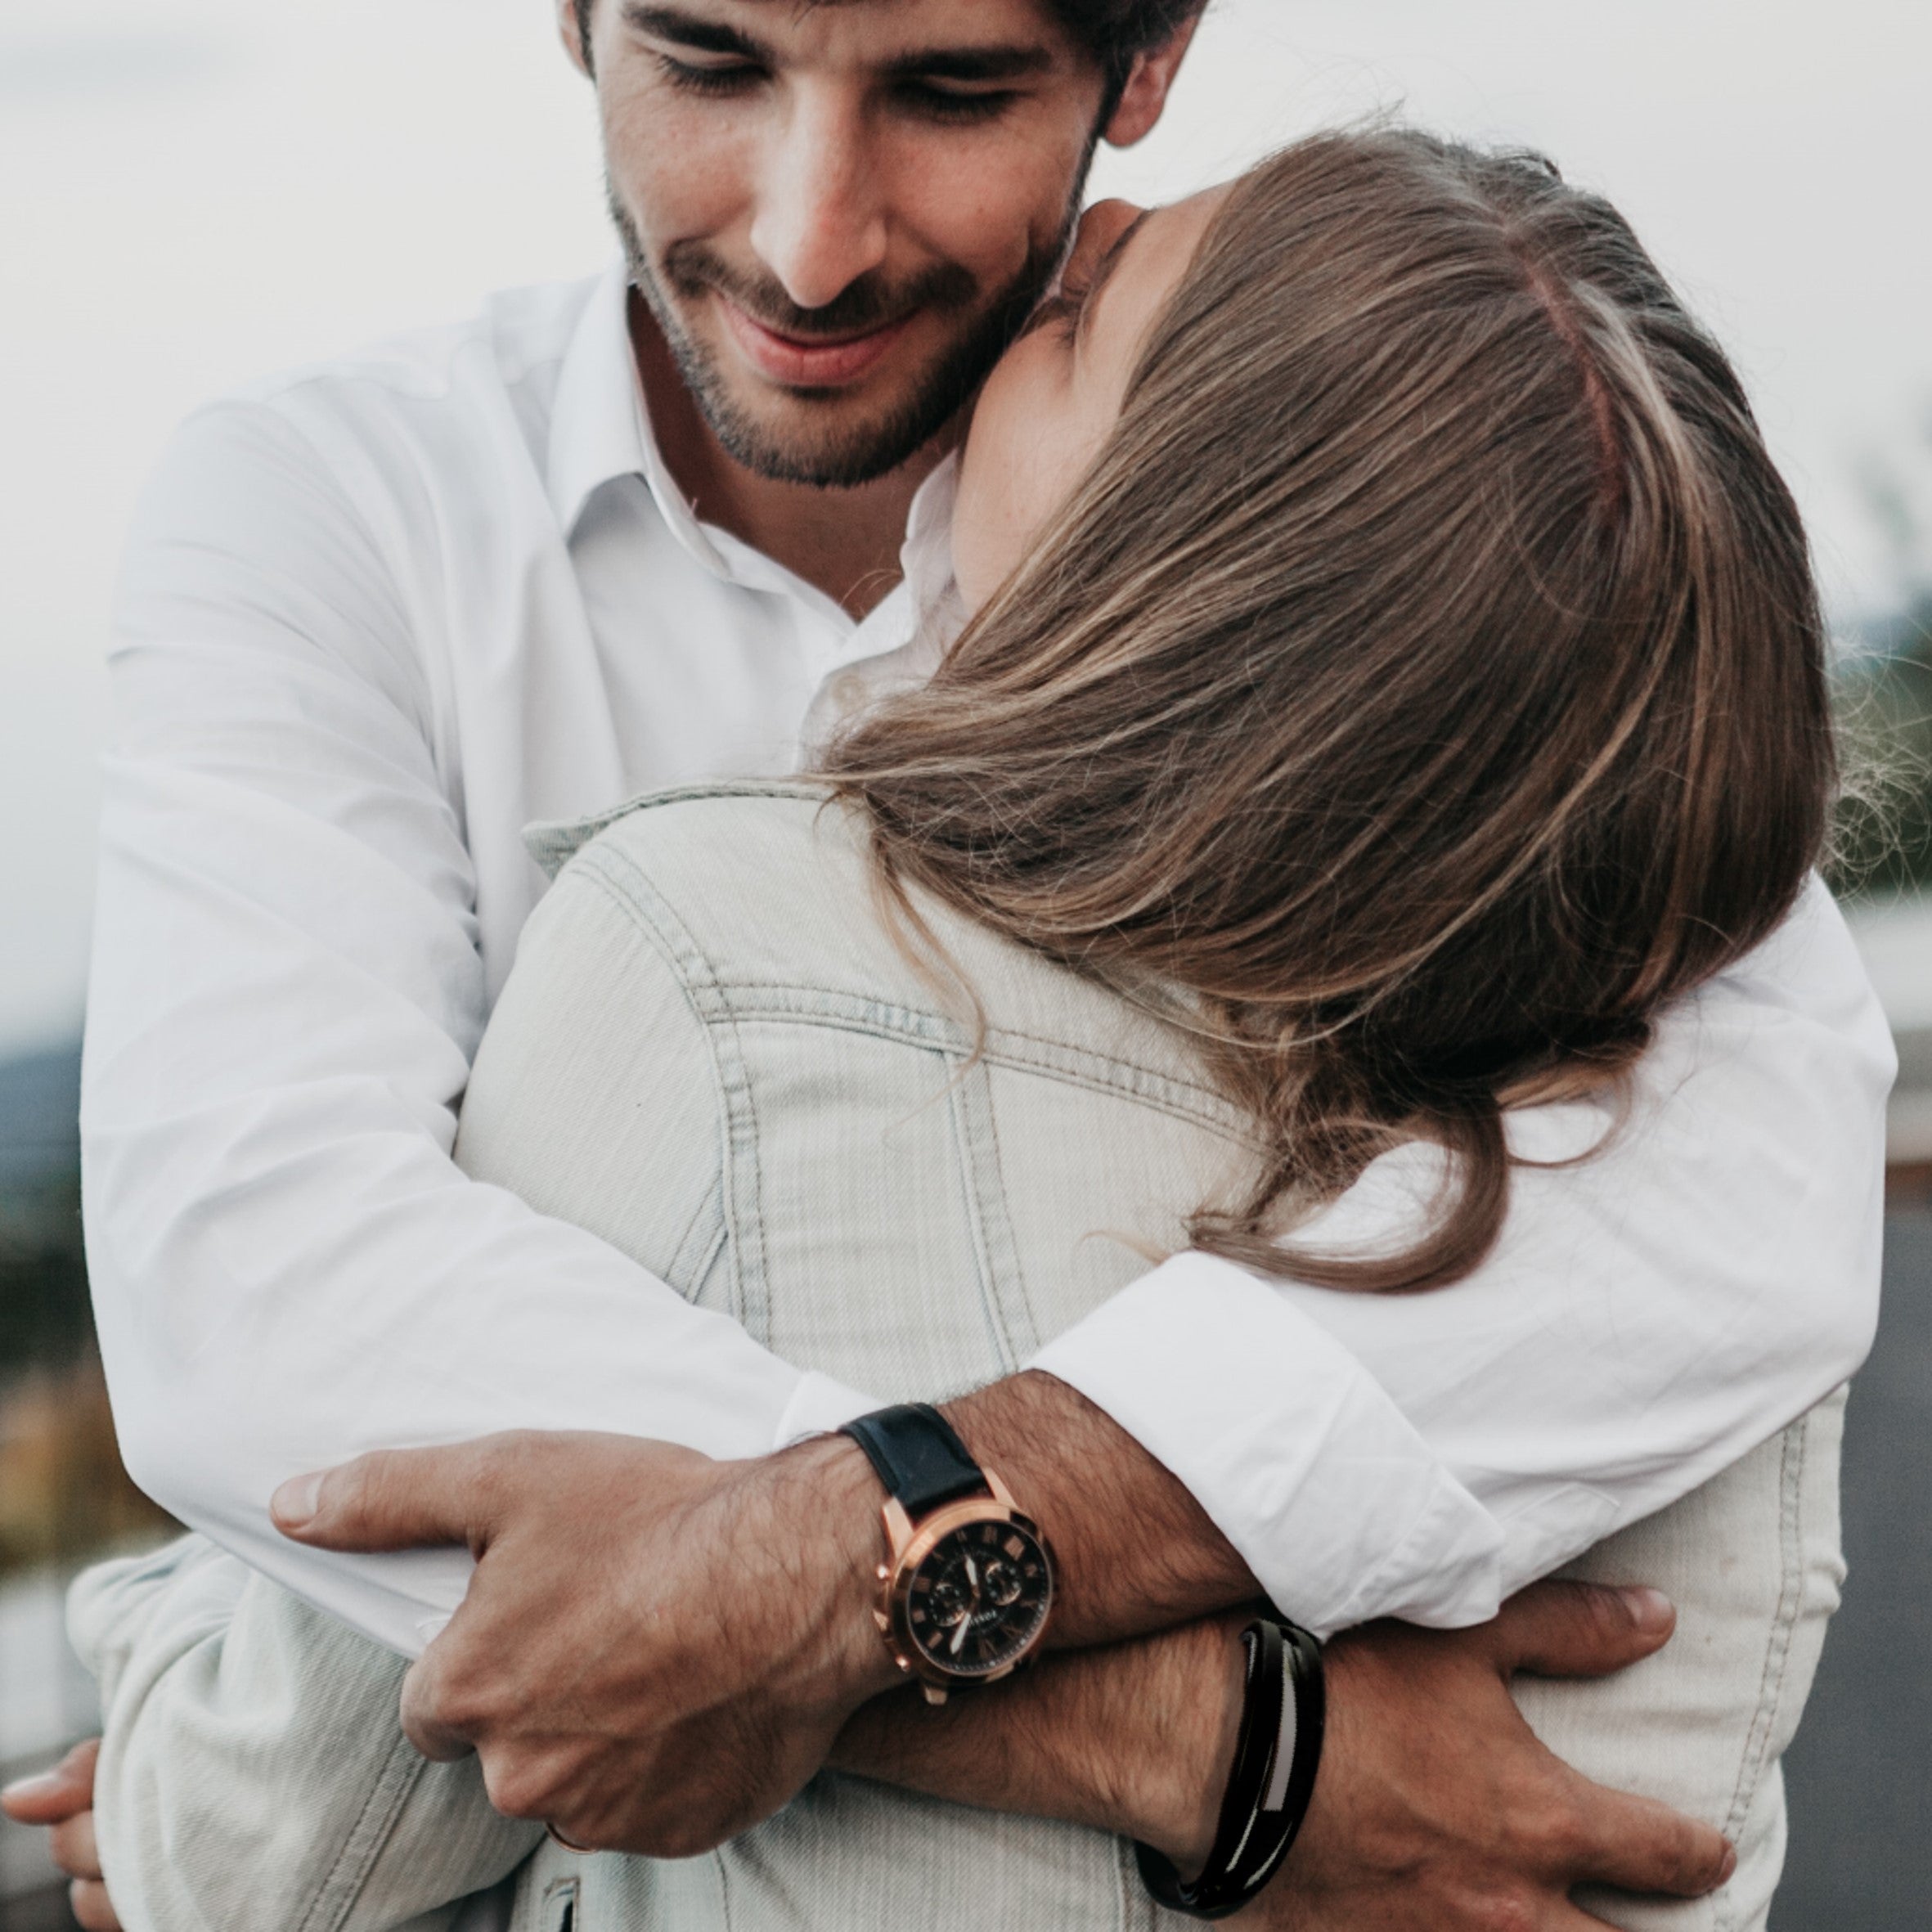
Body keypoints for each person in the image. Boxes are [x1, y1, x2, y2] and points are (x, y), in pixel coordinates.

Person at [7, 0, 1888, 1925]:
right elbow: (265, 1300)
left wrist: (845, 1568)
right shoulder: (336, 512)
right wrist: (1198, 1737)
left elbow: (1757, 1145)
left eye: (952, 90)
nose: (813, 240)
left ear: (1140, 59)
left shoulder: (1374, 491)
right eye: (710, 62)